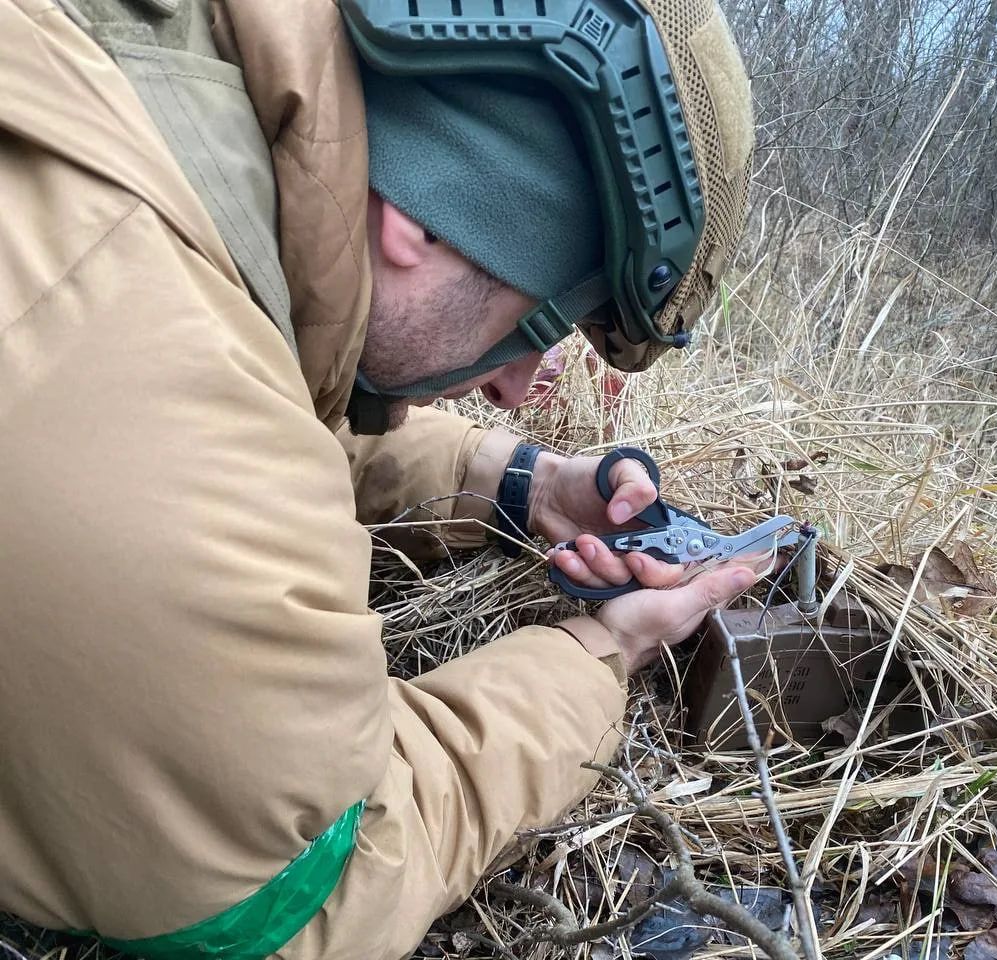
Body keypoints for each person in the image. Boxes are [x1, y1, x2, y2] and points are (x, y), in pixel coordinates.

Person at [0, 0, 755, 957]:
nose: (517, 390)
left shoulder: (151, 100)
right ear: (422, 221)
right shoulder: (149, 451)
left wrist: (521, 484)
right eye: (540, 324)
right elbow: (311, 895)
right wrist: (603, 650)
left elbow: (228, 386)